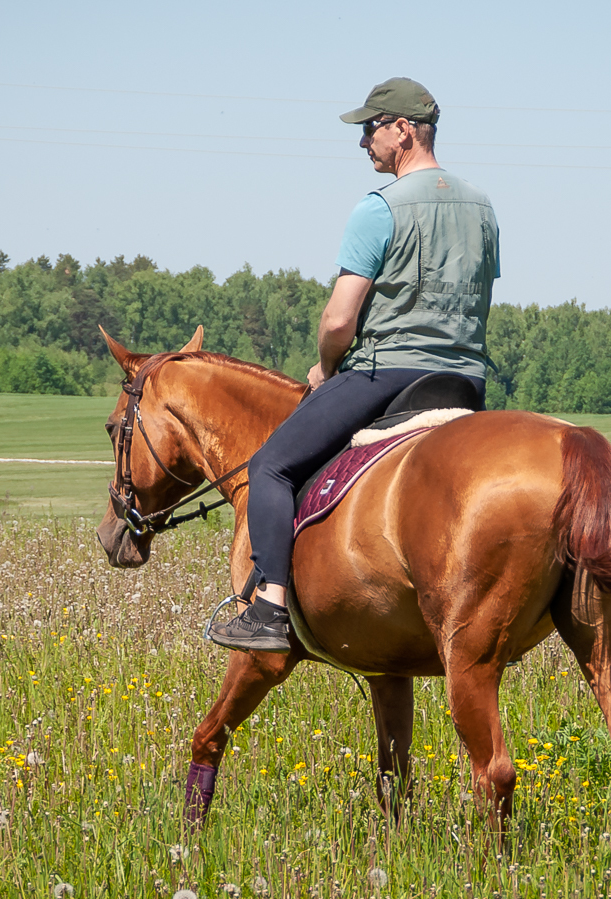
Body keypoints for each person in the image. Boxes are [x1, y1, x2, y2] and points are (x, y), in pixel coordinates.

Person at [207, 77, 501, 653]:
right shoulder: (484, 209)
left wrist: (325, 367)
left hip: (386, 372)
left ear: (404, 130)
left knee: (269, 467)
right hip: (465, 380)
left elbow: (340, 320)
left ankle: (269, 607)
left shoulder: (379, 209)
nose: (363, 141)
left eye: (371, 128)